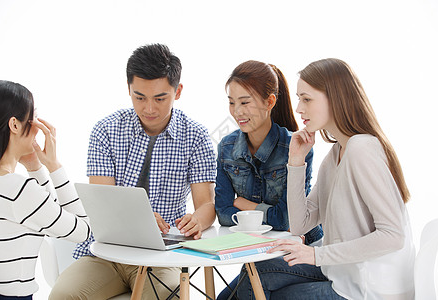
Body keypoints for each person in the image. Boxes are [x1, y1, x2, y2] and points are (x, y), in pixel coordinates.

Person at [237, 58, 415, 299]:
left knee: (274, 293)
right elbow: (300, 224)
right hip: (343, 272)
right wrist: (296, 162)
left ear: (336, 98)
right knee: (256, 273)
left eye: (307, 99)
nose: (299, 108)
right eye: (299, 98)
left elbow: (393, 236)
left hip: (367, 289)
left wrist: (315, 255)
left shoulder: (361, 148)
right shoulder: (336, 154)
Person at [49, 44, 217, 299]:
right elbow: (102, 203)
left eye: (160, 98)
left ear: (178, 91)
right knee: (63, 296)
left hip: (162, 257)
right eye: (140, 97)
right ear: (128, 89)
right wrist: (140, 219)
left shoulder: (196, 136)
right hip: (105, 254)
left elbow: (206, 205)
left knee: (168, 295)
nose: (149, 108)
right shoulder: (105, 130)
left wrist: (197, 220)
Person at [215, 60, 323, 300]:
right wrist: (267, 213)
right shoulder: (227, 147)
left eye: (245, 102)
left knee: (245, 290)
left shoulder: (294, 146)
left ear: (270, 102)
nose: (237, 111)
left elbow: (287, 220)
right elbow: (222, 212)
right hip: (261, 248)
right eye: (232, 103)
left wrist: (245, 205)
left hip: (303, 247)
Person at [0, 80, 91, 300]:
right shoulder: (19, 191)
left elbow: (46, 214)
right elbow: (83, 230)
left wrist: (34, 167)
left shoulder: (11, 188)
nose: (36, 124)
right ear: (15, 125)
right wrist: (53, 166)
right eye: (33, 116)